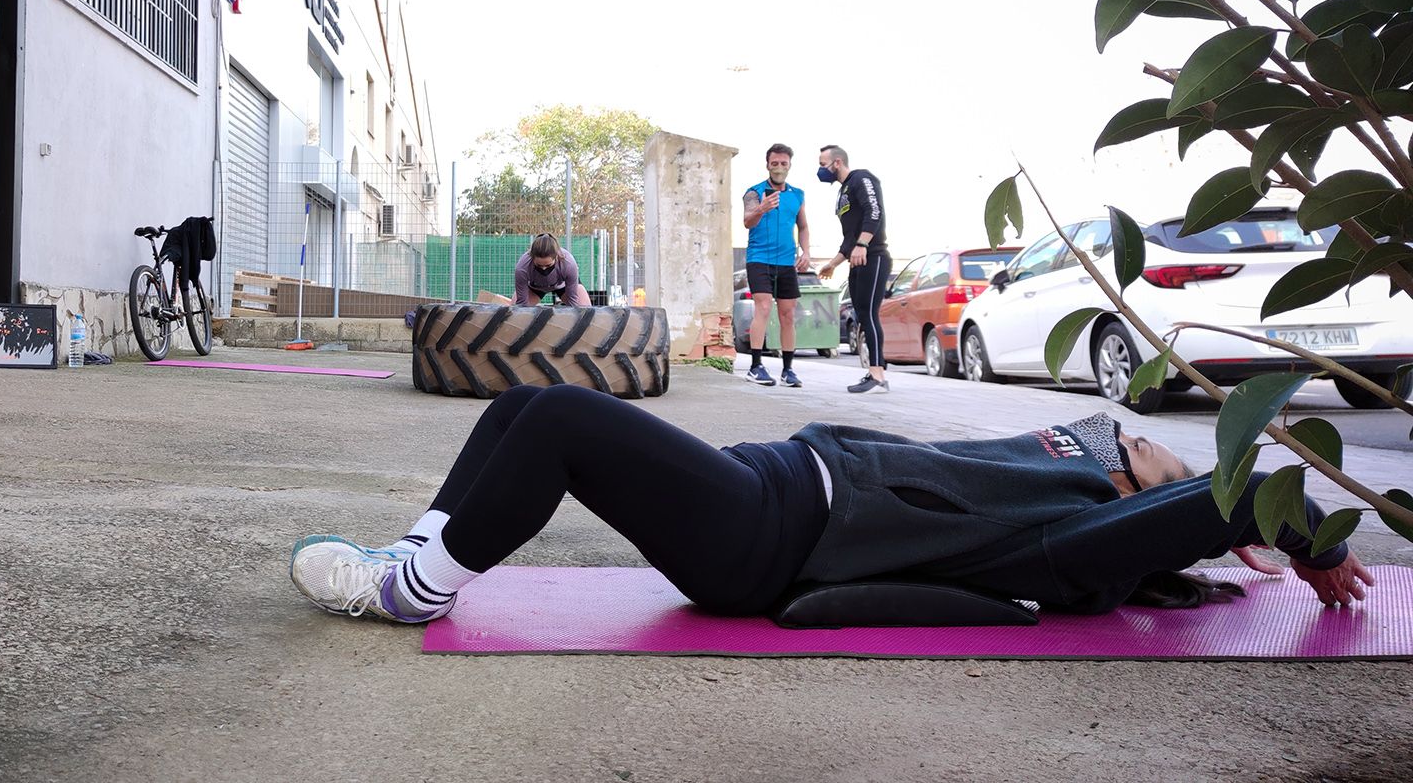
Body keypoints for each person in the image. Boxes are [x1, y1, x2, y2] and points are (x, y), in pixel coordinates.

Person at [289, 386, 1373, 624]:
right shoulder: (1069, 458)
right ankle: (419, 546)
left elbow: (1227, 504)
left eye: (1150, 449)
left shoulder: (1083, 538)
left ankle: (413, 593)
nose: (1130, 438)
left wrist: (1307, 539)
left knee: (567, 423)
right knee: (527, 398)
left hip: (769, 542)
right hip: (763, 479)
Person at [815, 145, 891, 395]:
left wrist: (863, 244)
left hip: (874, 255)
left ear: (837, 162)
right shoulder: (842, 193)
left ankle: (878, 376)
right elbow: (848, 238)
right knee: (860, 314)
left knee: (869, 313)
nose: (820, 169)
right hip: (856, 258)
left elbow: (874, 211)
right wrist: (833, 263)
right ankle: (872, 372)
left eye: (823, 164)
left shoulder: (862, 178)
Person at [741, 144, 811, 388]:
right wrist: (762, 207)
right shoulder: (754, 192)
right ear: (767, 164)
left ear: (789, 165)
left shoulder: (797, 195)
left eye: (783, 163)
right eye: (775, 163)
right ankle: (755, 366)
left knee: (788, 314)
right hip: (759, 259)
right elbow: (747, 222)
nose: (779, 167)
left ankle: (788, 370)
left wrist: (806, 251)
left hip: (786, 263)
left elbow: (802, 226)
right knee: (762, 308)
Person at [513, 233, 592, 307]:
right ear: (532, 257)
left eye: (548, 265)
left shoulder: (568, 263)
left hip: (563, 286)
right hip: (534, 287)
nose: (544, 269)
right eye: (539, 265)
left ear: (557, 257)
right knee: (515, 311)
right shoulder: (522, 267)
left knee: (583, 309)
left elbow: (573, 303)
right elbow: (521, 304)